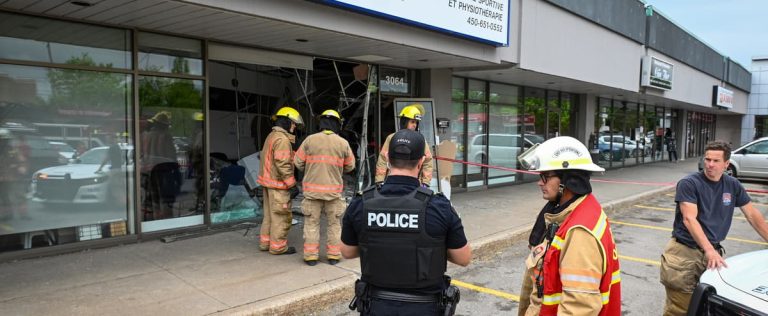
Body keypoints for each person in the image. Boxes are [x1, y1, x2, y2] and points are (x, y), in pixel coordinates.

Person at [341, 129, 471, 316]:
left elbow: (347, 251)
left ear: (386, 157)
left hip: (376, 307)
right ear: (421, 161)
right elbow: (463, 258)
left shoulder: (361, 203)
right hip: (425, 308)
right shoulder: (438, 206)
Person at [659, 140, 768, 316]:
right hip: (684, 255)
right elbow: (689, 219)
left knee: (707, 308)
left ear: (726, 164)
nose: (709, 165)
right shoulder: (689, 183)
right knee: (680, 310)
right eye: (707, 159)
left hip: (712, 254)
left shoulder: (732, 185)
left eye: (716, 161)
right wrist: (709, 249)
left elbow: (752, 215)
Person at [517, 136, 621, 316]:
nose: (540, 182)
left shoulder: (580, 232)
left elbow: (579, 308)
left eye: (545, 176)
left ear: (568, 180)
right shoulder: (572, 213)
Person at [294, 109, 355, 266]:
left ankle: (311, 257)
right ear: (337, 124)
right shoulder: (343, 143)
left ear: (321, 123)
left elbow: (298, 163)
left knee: (311, 225)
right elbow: (350, 166)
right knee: (334, 225)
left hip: (312, 193)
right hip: (333, 194)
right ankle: (334, 256)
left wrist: (312, 168)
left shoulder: (309, 140)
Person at [258, 106, 303, 255]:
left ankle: (265, 243)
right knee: (281, 217)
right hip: (278, 185)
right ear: (286, 121)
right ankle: (278, 247)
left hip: (268, 183)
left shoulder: (272, 136)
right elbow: (283, 164)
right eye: (293, 123)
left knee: (269, 216)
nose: (294, 126)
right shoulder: (282, 139)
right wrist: (292, 185)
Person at [375, 103, 434, 187]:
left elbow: (428, 161)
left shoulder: (420, 140)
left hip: (414, 183)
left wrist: (425, 182)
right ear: (404, 122)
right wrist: (380, 180)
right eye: (412, 122)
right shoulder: (392, 138)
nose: (414, 125)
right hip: (393, 181)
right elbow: (383, 159)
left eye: (416, 122)